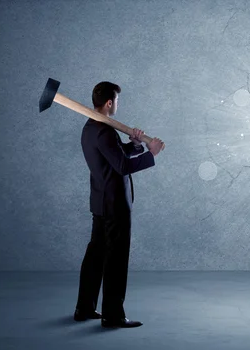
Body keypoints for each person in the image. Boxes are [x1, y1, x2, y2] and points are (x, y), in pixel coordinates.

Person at [73, 81, 165, 328]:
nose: (118, 105)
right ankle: (112, 316)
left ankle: (84, 308)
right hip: (114, 206)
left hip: (100, 202)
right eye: (117, 101)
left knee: (95, 256)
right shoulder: (104, 130)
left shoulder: (91, 128)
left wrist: (136, 145)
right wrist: (150, 153)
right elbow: (122, 167)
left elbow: (115, 156)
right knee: (115, 259)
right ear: (110, 103)